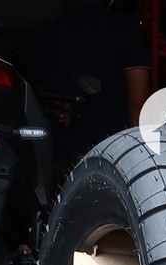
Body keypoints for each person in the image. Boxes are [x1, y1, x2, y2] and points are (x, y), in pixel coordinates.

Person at [28, 0, 151, 182]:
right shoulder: (124, 27)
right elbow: (138, 102)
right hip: (113, 156)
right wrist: (136, 158)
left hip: (60, 156)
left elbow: (32, 99)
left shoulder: (44, 33)